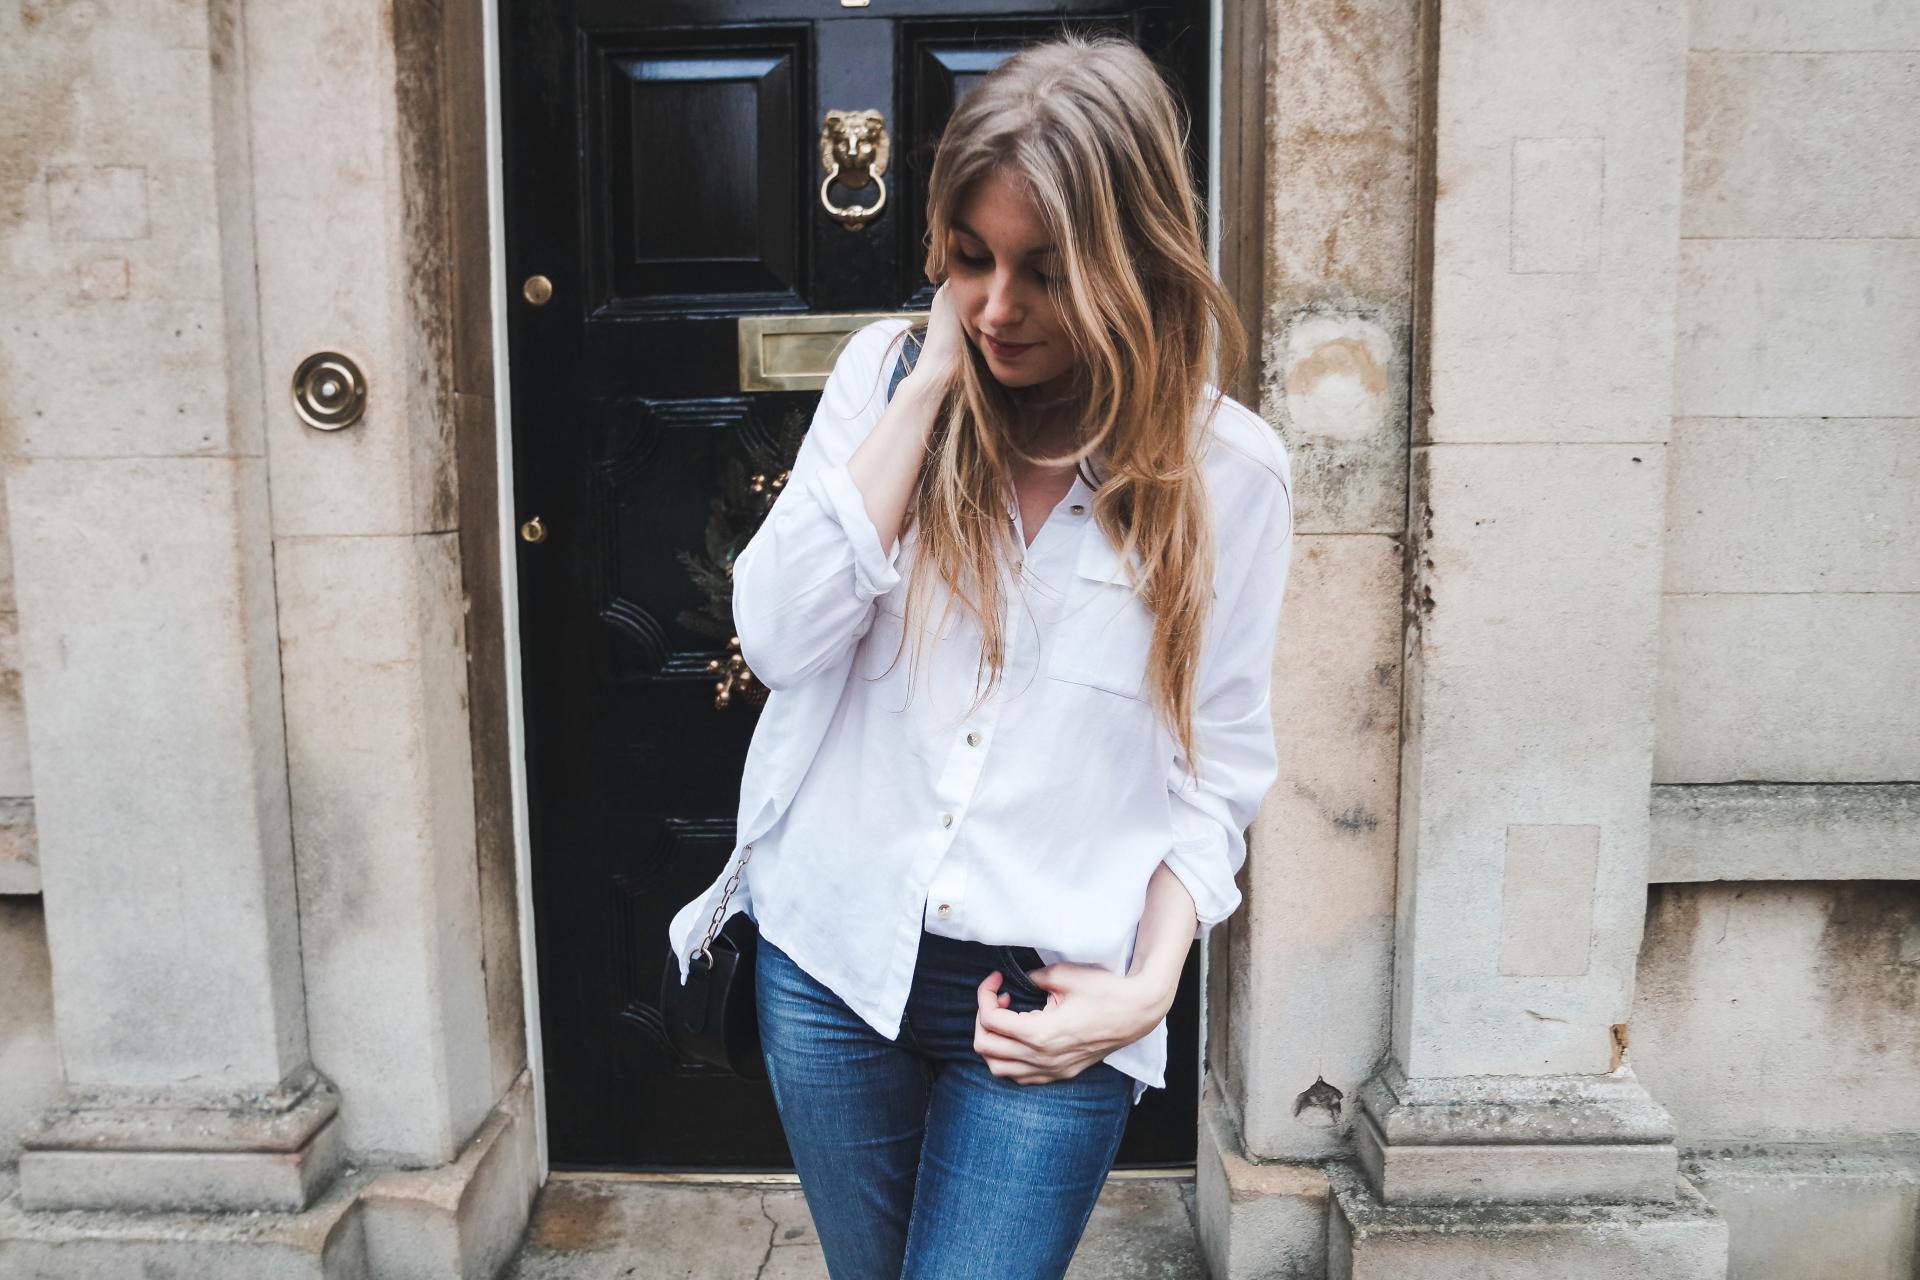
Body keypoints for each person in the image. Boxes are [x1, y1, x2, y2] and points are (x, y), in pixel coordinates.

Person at [667, 31, 1294, 1280]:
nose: (998, 308)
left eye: (1044, 272)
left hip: (1053, 1014)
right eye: (970, 261)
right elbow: (782, 638)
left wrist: (1152, 983)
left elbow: (1217, 770)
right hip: (832, 968)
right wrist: (925, 387)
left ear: (1133, 263)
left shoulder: (1229, 476)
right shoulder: (884, 380)